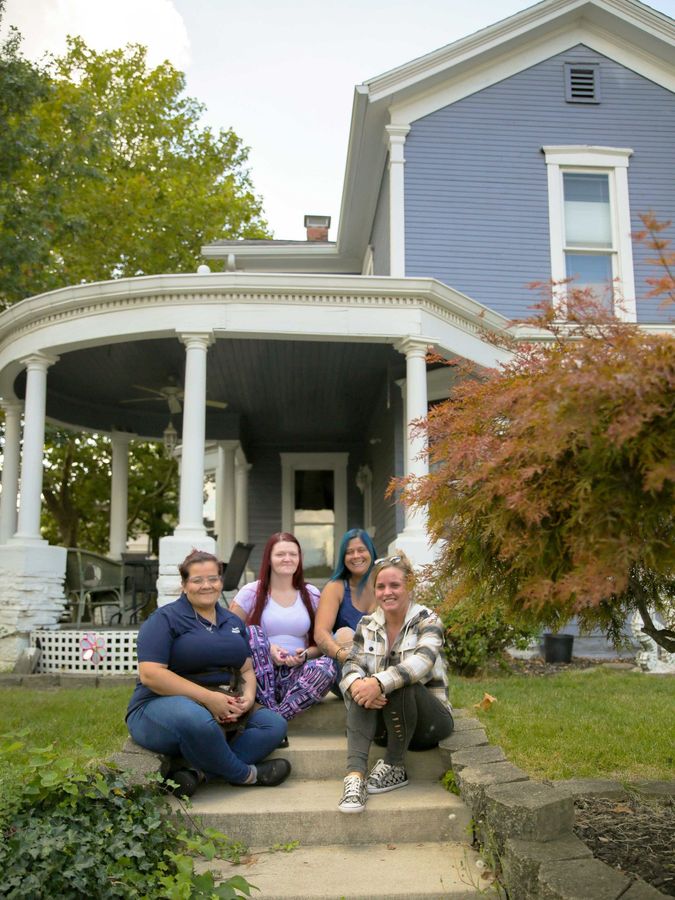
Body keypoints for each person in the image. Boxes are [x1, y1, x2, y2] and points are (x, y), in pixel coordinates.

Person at [126, 549, 291, 797]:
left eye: (213, 578)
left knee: (274, 725)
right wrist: (208, 699)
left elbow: (246, 668)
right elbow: (151, 675)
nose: (207, 585)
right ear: (184, 585)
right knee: (199, 723)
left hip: (222, 700)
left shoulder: (233, 622)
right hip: (159, 706)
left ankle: (197, 774)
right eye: (197, 580)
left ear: (221, 582)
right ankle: (247, 775)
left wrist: (247, 698)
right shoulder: (164, 619)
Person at [337, 552, 454, 813]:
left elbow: (421, 663)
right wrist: (358, 685)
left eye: (395, 585)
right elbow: (351, 663)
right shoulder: (366, 624)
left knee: (400, 682)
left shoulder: (428, 620)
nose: (387, 592)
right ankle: (354, 778)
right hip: (385, 724)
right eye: (381, 586)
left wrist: (377, 683)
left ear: (409, 587)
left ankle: (395, 765)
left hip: (428, 724)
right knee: (358, 684)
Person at [229, 532, 336, 721]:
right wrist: (267, 649)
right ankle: (269, 711)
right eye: (280, 554)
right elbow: (229, 632)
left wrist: (304, 656)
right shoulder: (250, 592)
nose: (287, 559)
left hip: (295, 678)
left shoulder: (311, 594)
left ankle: (274, 718)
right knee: (253, 632)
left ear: (299, 559)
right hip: (257, 675)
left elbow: (323, 641)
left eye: (293, 554)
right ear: (269, 559)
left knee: (327, 666)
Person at [314, 528, 377, 669]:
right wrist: (344, 656)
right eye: (349, 552)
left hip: (380, 664)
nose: (356, 556)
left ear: (371, 552)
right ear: (343, 557)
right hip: (344, 665)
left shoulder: (384, 585)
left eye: (361, 550)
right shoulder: (335, 587)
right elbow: (320, 633)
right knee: (345, 634)